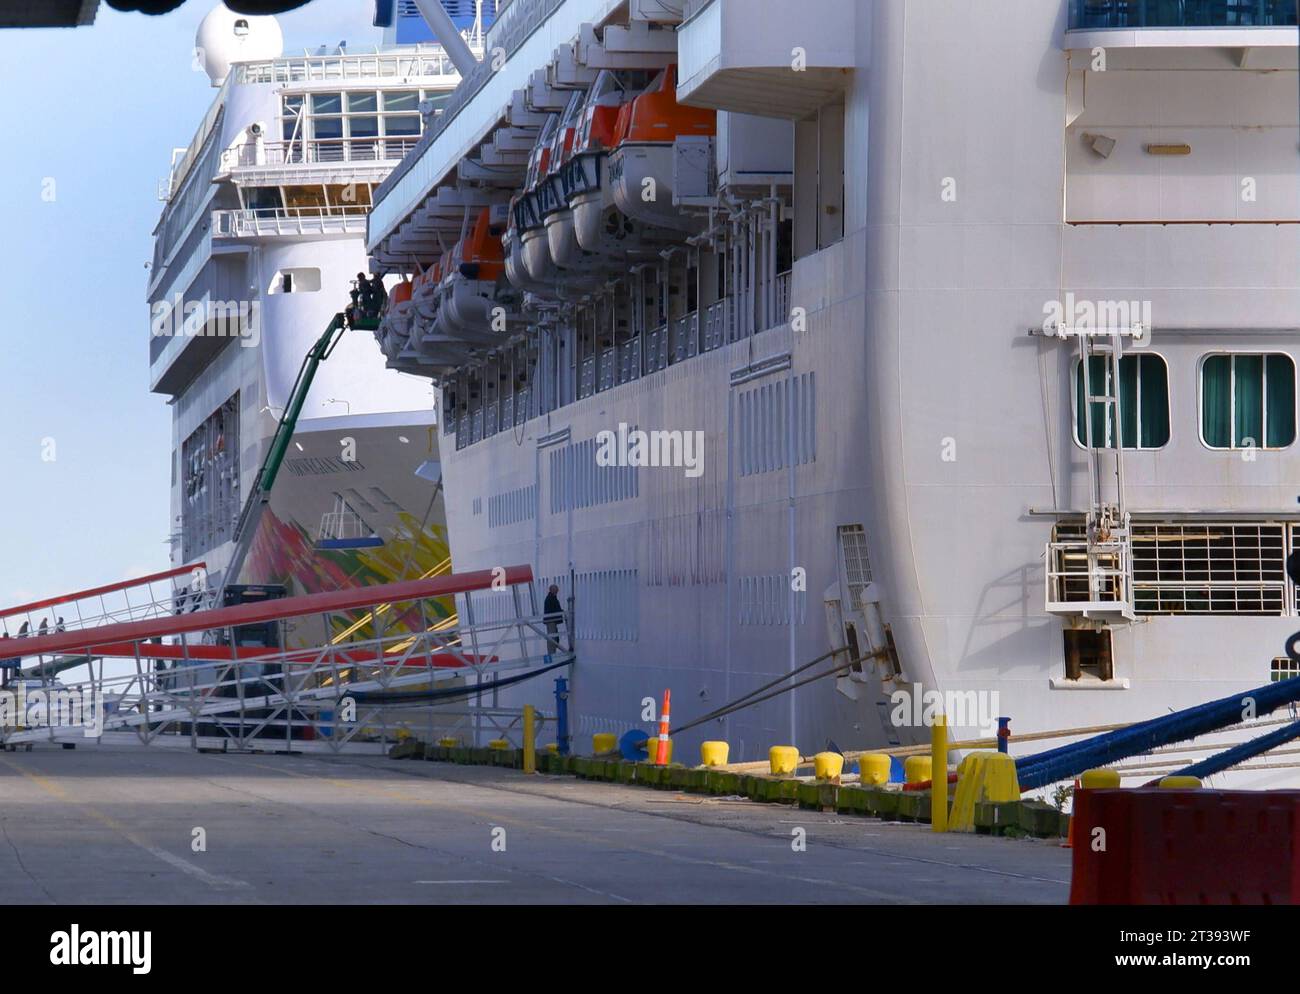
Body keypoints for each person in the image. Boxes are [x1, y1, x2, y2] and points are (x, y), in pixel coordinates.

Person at [543, 584, 564, 653]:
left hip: (551, 621)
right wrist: (560, 612)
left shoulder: (551, 598)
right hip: (551, 621)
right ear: (552, 590)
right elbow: (552, 609)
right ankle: (551, 654)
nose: (557, 591)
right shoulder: (551, 598)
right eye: (556, 590)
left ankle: (552, 653)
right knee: (552, 638)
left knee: (553, 638)